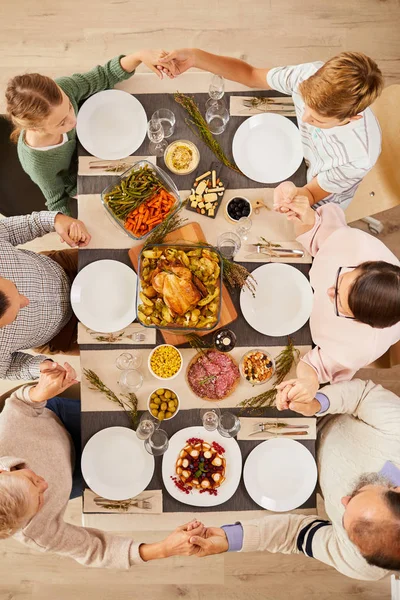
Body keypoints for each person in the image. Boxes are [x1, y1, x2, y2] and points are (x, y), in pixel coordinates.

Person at [186, 379, 400, 581]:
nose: (342, 501)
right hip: (318, 406)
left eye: (345, 521)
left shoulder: (361, 565)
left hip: (292, 472)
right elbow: (362, 395)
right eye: (357, 494)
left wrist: (230, 539)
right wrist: (318, 403)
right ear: (397, 489)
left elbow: (296, 535)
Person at [0, 361, 206, 568]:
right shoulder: (37, 532)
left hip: (56, 421)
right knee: (148, 469)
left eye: (31, 478)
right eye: (40, 501)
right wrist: (164, 549)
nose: (45, 485)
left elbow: (21, 403)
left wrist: (39, 392)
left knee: (132, 419)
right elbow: (96, 550)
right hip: (73, 474)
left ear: (3, 471)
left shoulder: (5, 436)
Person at [158, 49, 383, 210]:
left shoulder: (359, 156)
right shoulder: (308, 74)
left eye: (317, 120)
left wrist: (295, 196)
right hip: (292, 152)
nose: (304, 118)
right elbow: (252, 75)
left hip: (323, 193)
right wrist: (196, 57)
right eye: (305, 106)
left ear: (352, 117)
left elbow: (313, 194)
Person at [5, 50, 174, 215]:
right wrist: (67, 224)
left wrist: (139, 56)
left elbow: (105, 75)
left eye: (70, 107)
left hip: (99, 137)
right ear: (35, 129)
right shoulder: (38, 163)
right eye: (62, 122)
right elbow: (56, 201)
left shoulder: (63, 88)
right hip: (78, 177)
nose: (73, 120)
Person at [271, 197, 400, 405]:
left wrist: (308, 382)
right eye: (341, 279)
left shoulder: (361, 346)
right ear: (363, 265)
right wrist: (306, 216)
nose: (329, 291)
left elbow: (316, 366)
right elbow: (315, 232)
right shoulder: (358, 245)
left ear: (359, 321)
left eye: (339, 304)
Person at [0, 210, 91, 379]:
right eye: (16, 314)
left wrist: (56, 220)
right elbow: (8, 369)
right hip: (64, 334)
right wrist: (38, 367)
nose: (25, 300)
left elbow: (18, 227)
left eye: (15, 288)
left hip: (66, 269)